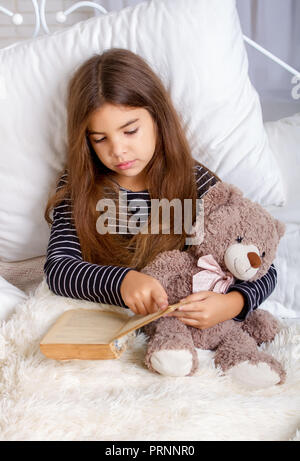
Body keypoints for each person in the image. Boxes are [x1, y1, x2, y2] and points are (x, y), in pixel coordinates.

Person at [44, 48, 277, 330]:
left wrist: (232, 304)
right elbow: (59, 268)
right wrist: (121, 282)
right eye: (100, 139)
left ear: (157, 118)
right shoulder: (79, 184)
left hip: (183, 328)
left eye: (130, 131)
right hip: (111, 324)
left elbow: (263, 265)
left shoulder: (195, 182)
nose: (118, 150)